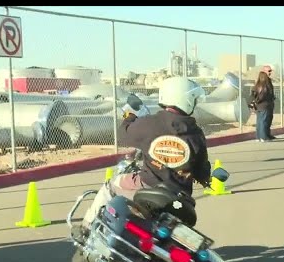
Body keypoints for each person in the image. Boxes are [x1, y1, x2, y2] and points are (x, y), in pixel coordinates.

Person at [80, 76, 212, 235]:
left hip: (148, 185)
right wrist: (205, 179)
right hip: (179, 195)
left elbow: (123, 135)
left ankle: (86, 228)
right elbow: (202, 170)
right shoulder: (196, 134)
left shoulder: (150, 124)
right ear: (187, 100)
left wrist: (129, 117)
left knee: (111, 185)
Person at [250, 70, 276, 142]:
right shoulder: (265, 86)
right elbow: (266, 95)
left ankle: (258, 137)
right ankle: (263, 137)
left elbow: (252, 95)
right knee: (264, 121)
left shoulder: (257, 85)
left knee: (259, 121)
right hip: (265, 105)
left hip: (258, 106)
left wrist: (255, 102)